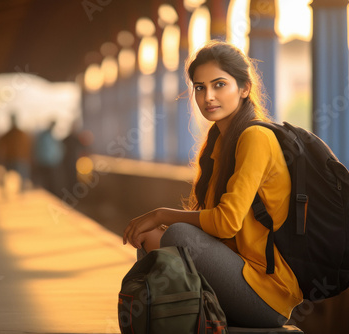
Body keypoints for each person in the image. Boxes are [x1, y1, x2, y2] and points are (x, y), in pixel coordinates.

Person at [122, 41, 303, 328]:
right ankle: (167, 318)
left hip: (267, 294)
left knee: (178, 234)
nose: (208, 96)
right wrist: (157, 226)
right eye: (199, 87)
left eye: (220, 85)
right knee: (152, 237)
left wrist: (161, 214)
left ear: (244, 88)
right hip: (236, 273)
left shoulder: (255, 138)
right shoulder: (220, 142)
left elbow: (226, 222)